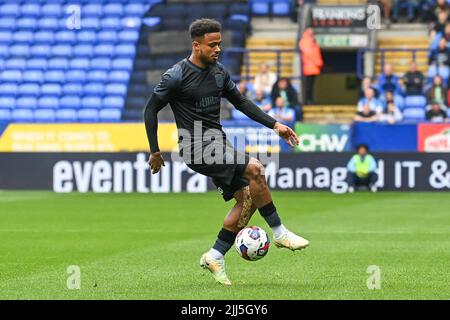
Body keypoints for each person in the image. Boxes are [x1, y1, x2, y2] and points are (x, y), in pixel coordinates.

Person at [143, 19, 309, 286]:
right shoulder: (176, 76)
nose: (218, 49)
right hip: (196, 147)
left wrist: (275, 125)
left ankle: (215, 255)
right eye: (212, 45)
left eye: (219, 43)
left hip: (219, 144)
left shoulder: (219, 72)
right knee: (256, 168)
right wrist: (155, 150)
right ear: (196, 46)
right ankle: (279, 232)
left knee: (248, 198)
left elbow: (241, 102)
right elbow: (150, 109)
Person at [299, 28, 323, 105]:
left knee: (311, 86)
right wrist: (318, 62)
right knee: (308, 86)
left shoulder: (312, 41)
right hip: (310, 67)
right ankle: (308, 100)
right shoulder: (306, 41)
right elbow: (309, 53)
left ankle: (310, 100)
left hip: (313, 67)